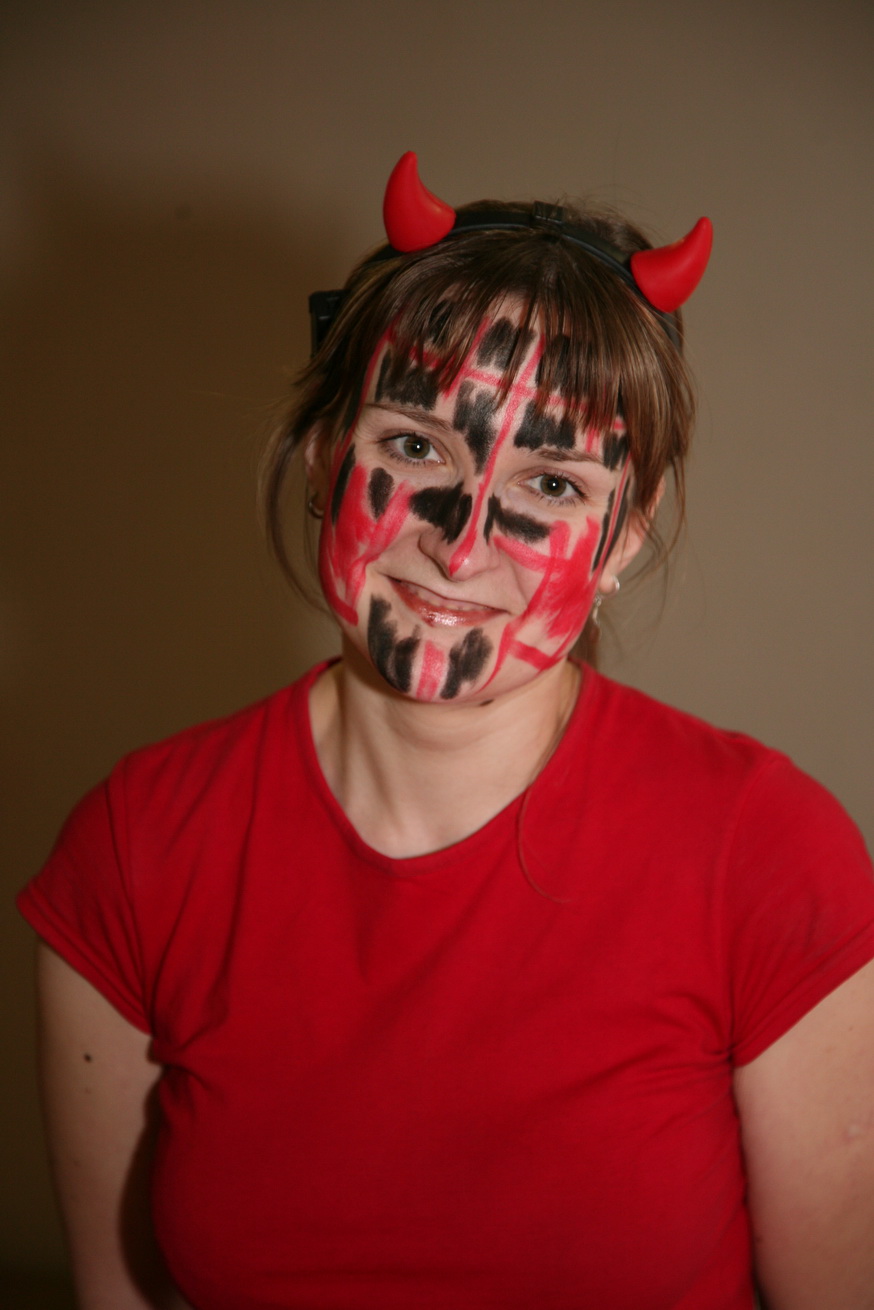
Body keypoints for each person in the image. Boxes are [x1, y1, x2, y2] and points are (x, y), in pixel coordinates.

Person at [18, 152, 874, 1310]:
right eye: (416, 445)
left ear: (624, 535)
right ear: (326, 453)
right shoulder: (137, 847)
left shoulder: (767, 854)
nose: (460, 546)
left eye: (552, 483)